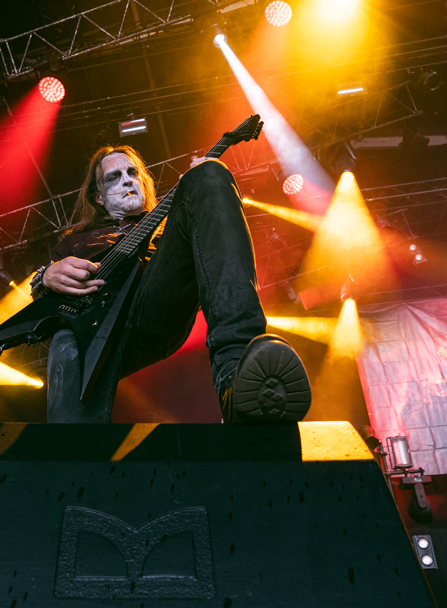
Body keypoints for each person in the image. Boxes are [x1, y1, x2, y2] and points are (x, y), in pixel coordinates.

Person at [34, 146, 311, 423]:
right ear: (99, 198)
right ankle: (72, 446)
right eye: (113, 177)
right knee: (64, 338)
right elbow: (41, 309)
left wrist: (202, 186)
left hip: (150, 310)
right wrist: (45, 277)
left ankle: (237, 377)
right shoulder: (75, 241)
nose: (127, 180)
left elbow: (212, 267)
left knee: (209, 172)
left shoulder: (169, 225)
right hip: (92, 329)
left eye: (132, 173)